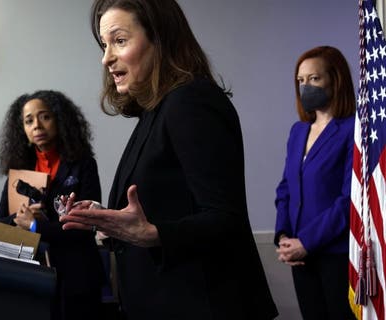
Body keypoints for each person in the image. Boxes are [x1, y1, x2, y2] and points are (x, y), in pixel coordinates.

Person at [59, 1, 278, 319]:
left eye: (120, 41)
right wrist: (110, 218)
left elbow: (224, 218)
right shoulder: (155, 111)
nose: (106, 58)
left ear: (159, 38)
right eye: (104, 45)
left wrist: (153, 234)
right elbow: (169, 204)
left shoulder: (192, 102)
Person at [0, 90, 105, 320]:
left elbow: (85, 225)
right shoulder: (19, 173)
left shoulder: (83, 165)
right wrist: (19, 219)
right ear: (22, 130)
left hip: (77, 275)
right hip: (31, 275)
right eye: (29, 121)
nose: (37, 125)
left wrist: (36, 226)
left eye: (44, 117)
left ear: (60, 120)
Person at [273, 46, 356, 319]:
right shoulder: (298, 131)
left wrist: (306, 241)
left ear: (336, 79)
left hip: (336, 254)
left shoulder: (353, 130)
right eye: (300, 81)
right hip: (300, 256)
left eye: (314, 79)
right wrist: (284, 236)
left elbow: (348, 200)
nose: (305, 86)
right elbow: (285, 188)